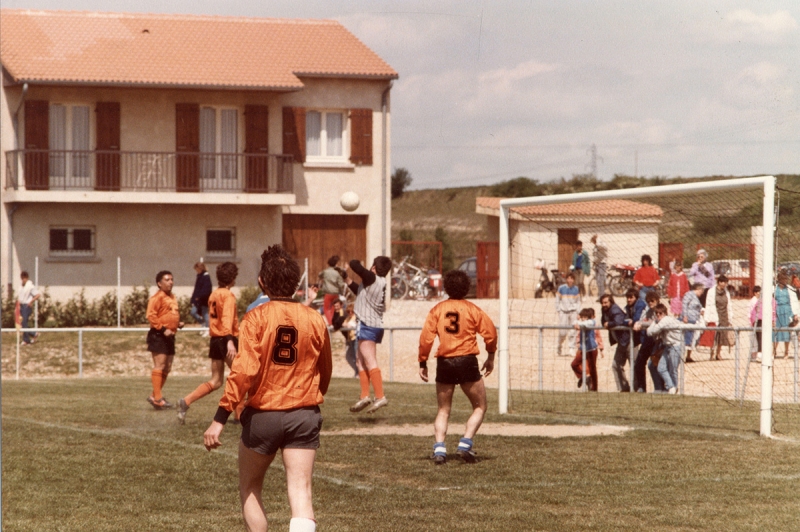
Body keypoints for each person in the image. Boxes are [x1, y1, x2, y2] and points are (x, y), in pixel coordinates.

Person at [203, 245, 332, 532]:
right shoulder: (314, 318)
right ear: (297, 283)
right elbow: (325, 370)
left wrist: (220, 418)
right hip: (304, 413)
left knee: (250, 487)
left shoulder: (256, 317)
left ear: (262, 282)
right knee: (301, 493)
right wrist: (311, 398)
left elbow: (243, 371)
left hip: (264, 414)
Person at [418, 269, 497, 464]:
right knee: (480, 406)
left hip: (444, 361)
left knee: (443, 409)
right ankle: (465, 443)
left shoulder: (437, 310)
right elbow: (491, 334)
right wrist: (491, 355)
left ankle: (439, 449)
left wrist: (422, 361)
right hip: (467, 360)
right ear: (467, 288)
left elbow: (426, 339)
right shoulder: (472, 309)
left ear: (446, 287)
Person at [178, 262, 240, 424]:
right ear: (232, 278)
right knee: (242, 376)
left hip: (215, 340)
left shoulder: (214, 294)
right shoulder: (228, 296)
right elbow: (226, 320)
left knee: (216, 380)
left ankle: (186, 401)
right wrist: (230, 342)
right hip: (226, 340)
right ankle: (240, 416)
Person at [347, 255, 393, 414]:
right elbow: (360, 293)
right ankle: (365, 395)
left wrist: (352, 263)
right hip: (371, 324)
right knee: (360, 361)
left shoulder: (373, 278)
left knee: (370, 361)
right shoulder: (376, 282)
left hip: (368, 324)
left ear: (374, 267)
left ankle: (380, 396)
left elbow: (355, 264)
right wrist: (347, 280)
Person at [145, 270, 184, 409]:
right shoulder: (157, 297)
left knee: (167, 367)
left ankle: (154, 396)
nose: (170, 282)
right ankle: (158, 398)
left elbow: (169, 314)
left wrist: (177, 323)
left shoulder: (172, 297)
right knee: (160, 366)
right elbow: (151, 316)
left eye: (172, 279)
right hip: (158, 335)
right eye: (167, 280)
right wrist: (163, 329)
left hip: (170, 335)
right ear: (159, 283)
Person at [646, 303, 684, 394]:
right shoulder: (659, 321)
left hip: (676, 346)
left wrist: (655, 323)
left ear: (665, 313)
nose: (658, 315)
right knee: (661, 368)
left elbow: (653, 331)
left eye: (660, 313)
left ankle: (674, 388)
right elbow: (648, 332)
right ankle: (671, 387)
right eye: (657, 313)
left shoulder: (666, 320)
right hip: (667, 346)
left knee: (673, 369)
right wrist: (655, 322)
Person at [601, 294, 631, 392]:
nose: (604, 304)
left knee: (634, 366)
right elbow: (603, 321)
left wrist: (608, 324)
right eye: (602, 303)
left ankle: (638, 389)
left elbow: (618, 321)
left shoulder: (615, 309)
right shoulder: (605, 310)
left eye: (606, 302)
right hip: (621, 342)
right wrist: (606, 323)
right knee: (615, 365)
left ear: (611, 302)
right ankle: (623, 388)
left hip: (629, 341)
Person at [631, 291, 661, 392]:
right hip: (649, 339)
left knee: (654, 364)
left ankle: (659, 387)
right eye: (648, 301)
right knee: (639, 362)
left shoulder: (661, 309)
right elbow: (641, 319)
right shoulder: (647, 310)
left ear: (657, 300)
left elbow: (657, 321)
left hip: (658, 341)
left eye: (652, 301)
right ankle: (641, 387)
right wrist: (638, 323)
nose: (650, 303)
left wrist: (643, 324)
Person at [571, 308, 604, 391]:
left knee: (592, 368)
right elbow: (575, 322)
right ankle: (584, 377)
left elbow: (586, 324)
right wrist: (577, 322)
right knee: (574, 364)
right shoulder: (582, 322)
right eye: (582, 316)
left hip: (592, 349)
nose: (583, 318)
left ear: (589, 317)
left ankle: (594, 388)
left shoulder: (592, 322)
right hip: (583, 349)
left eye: (585, 317)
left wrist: (601, 348)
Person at [704, 275, 734, 361]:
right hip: (715, 314)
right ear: (719, 282)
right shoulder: (711, 291)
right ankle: (712, 353)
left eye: (726, 282)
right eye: (723, 282)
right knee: (714, 335)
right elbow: (708, 305)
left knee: (722, 336)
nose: (724, 284)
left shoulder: (726, 292)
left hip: (724, 315)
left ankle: (718, 353)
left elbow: (729, 305)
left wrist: (730, 317)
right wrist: (707, 317)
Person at [555, 273, 581, 356]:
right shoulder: (561, 288)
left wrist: (578, 312)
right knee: (563, 331)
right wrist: (559, 310)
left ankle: (571, 348)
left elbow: (578, 301)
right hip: (564, 312)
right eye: (568, 278)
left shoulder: (576, 289)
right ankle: (559, 345)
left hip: (573, 311)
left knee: (573, 331)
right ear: (566, 279)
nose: (570, 280)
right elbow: (557, 300)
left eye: (571, 278)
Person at [331, 299, 358, 377]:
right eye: (335, 306)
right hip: (349, 338)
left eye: (337, 306)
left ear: (341, 305)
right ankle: (357, 372)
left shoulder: (343, 313)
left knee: (355, 356)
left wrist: (339, 324)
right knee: (350, 356)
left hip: (353, 338)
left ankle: (359, 373)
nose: (336, 308)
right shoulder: (337, 314)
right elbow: (336, 323)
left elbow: (340, 322)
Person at [774, 273, 798, 359]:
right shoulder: (774, 288)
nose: (784, 282)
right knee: (775, 332)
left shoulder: (789, 289)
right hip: (777, 311)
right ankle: (773, 351)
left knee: (786, 332)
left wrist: (794, 314)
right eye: (783, 280)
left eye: (785, 280)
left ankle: (786, 352)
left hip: (786, 311)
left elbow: (793, 301)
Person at [318, 255, 347, 325]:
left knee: (326, 309)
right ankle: (334, 322)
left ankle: (330, 323)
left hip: (328, 293)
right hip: (336, 293)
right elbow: (341, 284)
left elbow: (319, 275)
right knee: (335, 308)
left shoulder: (325, 272)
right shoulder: (338, 273)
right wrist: (341, 292)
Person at [681, 283, 705, 363]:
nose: (702, 293)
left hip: (695, 319)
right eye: (702, 291)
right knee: (686, 337)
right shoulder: (689, 294)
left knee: (692, 337)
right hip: (688, 319)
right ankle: (681, 356)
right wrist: (685, 316)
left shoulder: (696, 298)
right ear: (699, 289)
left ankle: (688, 356)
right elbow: (684, 304)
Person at [17, 271, 41, 345]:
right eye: (22, 278)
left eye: (24, 278)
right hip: (21, 305)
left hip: (26, 306)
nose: (23, 279)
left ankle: (26, 340)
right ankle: (34, 334)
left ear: (27, 278)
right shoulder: (22, 286)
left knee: (24, 322)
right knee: (22, 323)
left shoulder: (30, 286)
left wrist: (31, 301)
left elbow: (37, 295)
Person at [190, 262, 212, 337]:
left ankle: (207, 329)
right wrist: (193, 299)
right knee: (193, 312)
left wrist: (200, 296)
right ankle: (202, 324)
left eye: (197, 269)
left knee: (205, 314)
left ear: (201, 268)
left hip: (204, 299)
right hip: (198, 300)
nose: (197, 271)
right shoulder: (199, 276)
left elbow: (207, 289)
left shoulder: (206, 277)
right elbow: (196, 288)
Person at [590, 234, 608, 299]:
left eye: (594, 241)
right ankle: (600, 295)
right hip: (597, 264)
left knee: (601, 280)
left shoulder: (602, 244)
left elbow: (601, 247)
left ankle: (602, 296)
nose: (594, 243)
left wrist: (597, 239)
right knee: (598, 281)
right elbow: (595, 256)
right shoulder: (595, 247)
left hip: (602, 264)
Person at [749, 286, 763, 362]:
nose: (759, 293)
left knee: (759, 339)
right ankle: (753, 355)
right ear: (755, 293)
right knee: (754, 339)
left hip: (760, 322)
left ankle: (759, 355)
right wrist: (751, 322)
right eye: (758, 292)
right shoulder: (753, 301)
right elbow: (750, 312)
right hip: (754, 322)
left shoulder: (760, 300)